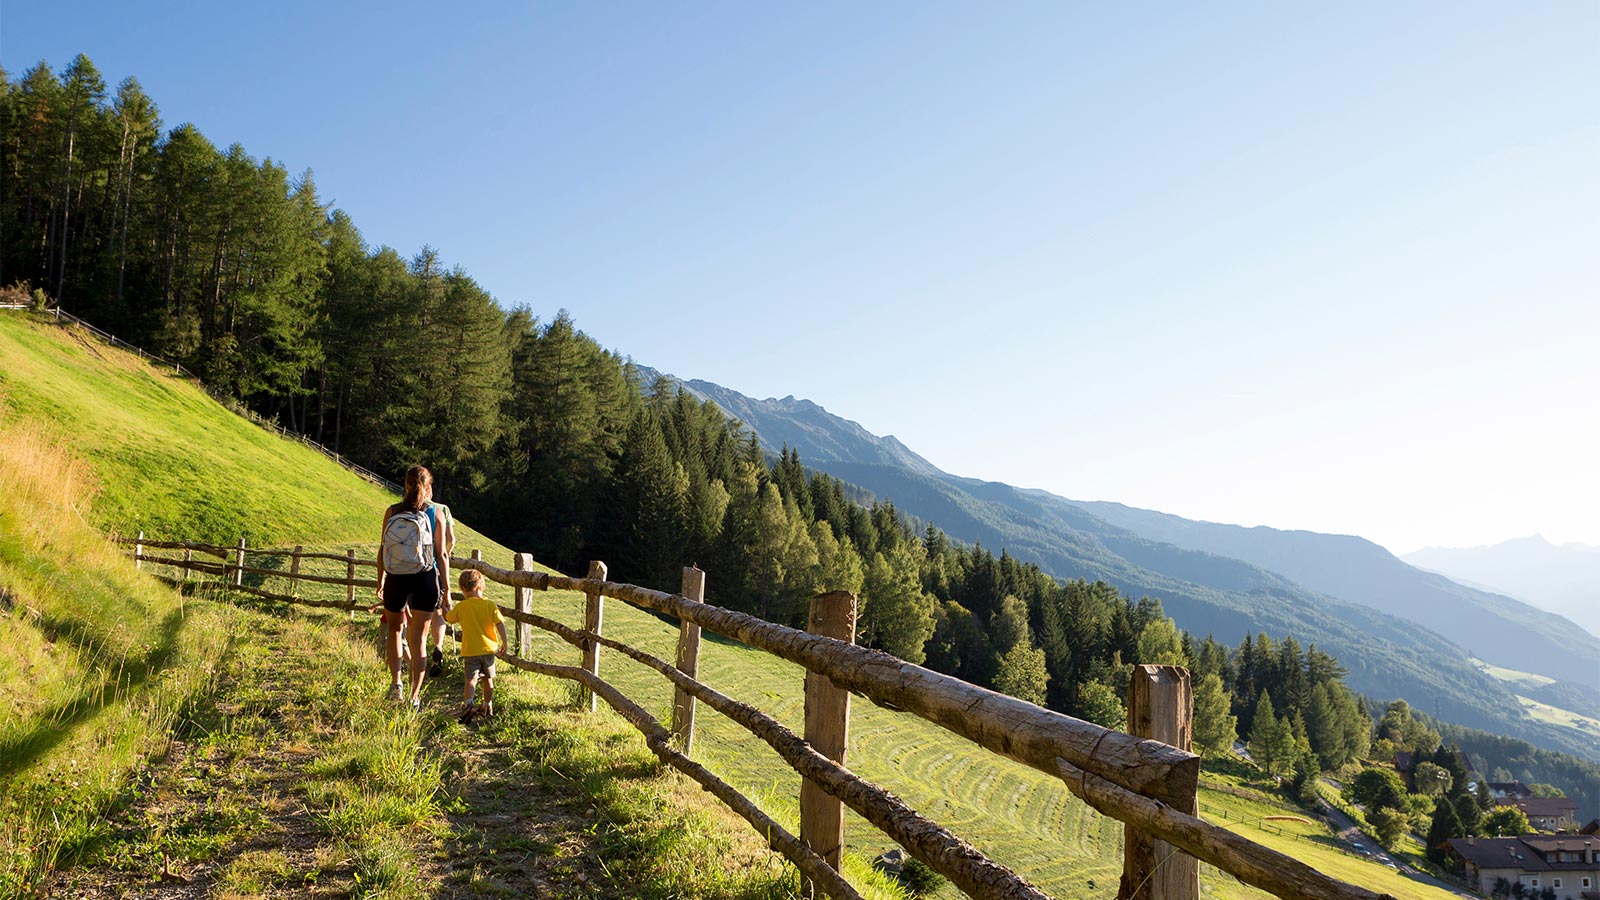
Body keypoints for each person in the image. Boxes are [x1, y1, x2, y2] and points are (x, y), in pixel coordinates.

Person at [377, 465, 451, 709]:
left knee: (395, 632)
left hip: (396, 578)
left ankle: (396, 684)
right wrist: (446, 590)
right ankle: (414, 697)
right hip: (425, 578)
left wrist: (381, 581)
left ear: (406, 485)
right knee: (419, 639)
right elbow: (441, 555)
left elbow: (383, 549)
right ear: (427, 487)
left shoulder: (392, 511)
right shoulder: (435, 513)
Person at [445, 568, 506, 722]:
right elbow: (499, 624)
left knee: (471, 680)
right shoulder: (490, 605)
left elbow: (450, 618)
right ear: (481, 585)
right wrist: (504, 642)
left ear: (462, 588)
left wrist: (445, 609)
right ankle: (487, 704)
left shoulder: (462, 606)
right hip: (488, 650)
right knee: (488, 679)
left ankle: (468, 704)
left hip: (471, 650)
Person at [423, 498, 457, 677]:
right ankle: (438, 646)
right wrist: (447, 554)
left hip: (412, 568)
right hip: (435, 568)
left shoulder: (407, 506)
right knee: (438, 613)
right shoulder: (442, 509)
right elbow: (451, 539)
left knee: (417, 616)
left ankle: (417, 659)